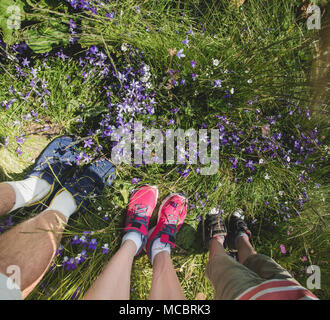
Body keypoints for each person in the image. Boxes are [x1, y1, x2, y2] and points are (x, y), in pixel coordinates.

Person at [204, 208, 319, 300]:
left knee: (221, 266)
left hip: (245, 296)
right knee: (256, 261)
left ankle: (217, 238)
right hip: (292, 289)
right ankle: (238, 236)